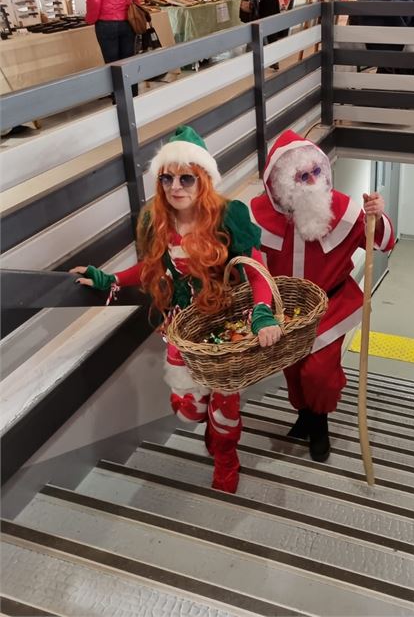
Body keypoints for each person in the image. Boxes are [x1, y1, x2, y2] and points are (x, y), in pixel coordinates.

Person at [71, 125, 282, 493]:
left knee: (224, 408)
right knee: (189, 409)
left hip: (222, 330)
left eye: (186, 178)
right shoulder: (158, 221)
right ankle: (212, 432)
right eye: (167, 178)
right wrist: (112, 279)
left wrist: (263, 312)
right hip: (180, 330)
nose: (176, 187)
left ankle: (226, 458)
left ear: (203, 179)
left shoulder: (228, 217)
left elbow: (255, 270)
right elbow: (151, 267)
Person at [251, 130, 395, 462]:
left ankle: (320, 425)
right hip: (285, 314)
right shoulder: (259, 214)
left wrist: (377, 216)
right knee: (293, 371)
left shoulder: (342, 209)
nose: (313, 181)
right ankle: (304, 415)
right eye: (302, 176)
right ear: (284, 183)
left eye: (317, 171)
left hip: (330, 309)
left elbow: (384, 243)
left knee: (318, 373)